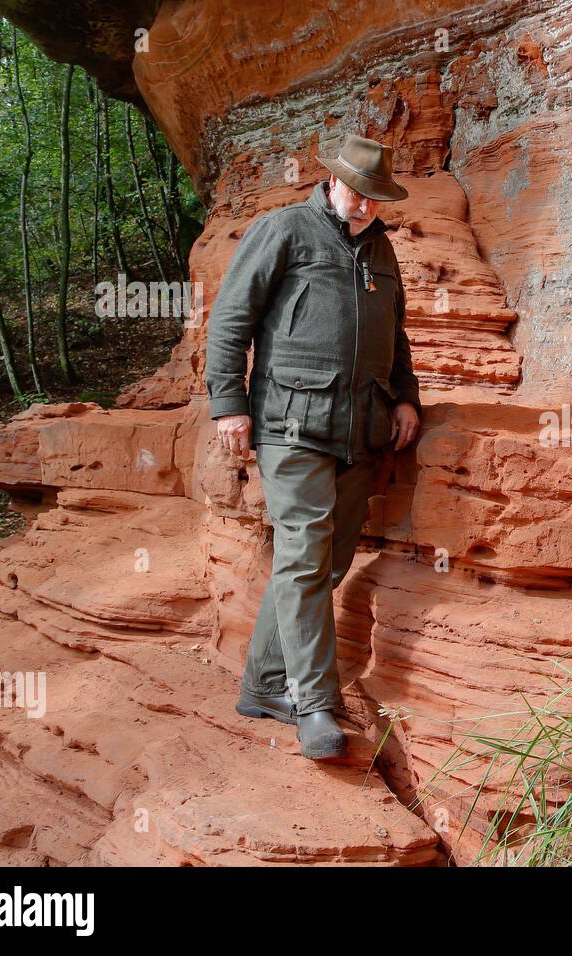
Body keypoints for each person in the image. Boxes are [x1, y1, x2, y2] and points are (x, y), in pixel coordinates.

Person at [204, 134, 420, 760]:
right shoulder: (285, 230)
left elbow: (395, 334)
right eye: (358, 194)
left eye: (376, 200)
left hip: (360, 427)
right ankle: (313, 703)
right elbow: (230, 320)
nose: (365, 209)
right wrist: (228, 404)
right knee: (303, 553)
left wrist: (404, 396)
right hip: (288, 422)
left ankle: (265, 683)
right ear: (333, 182)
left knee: (325, 565)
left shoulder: (382, 251)